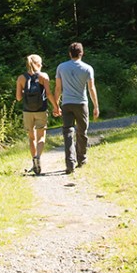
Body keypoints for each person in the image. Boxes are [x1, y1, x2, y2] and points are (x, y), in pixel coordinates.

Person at [54, 41, 98, 174]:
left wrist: (56, 105)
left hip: (66, 103)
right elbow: (91, 88)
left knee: (67, 133)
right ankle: (82, 158)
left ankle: (70, 163)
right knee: (82, 132)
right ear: (82, 53)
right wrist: (96, 106)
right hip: (81, 103)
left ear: (69, 53)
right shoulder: (88, 68)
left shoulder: (61, 67)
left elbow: (58, 88)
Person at [15, 54, 56, 175]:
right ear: (39, 64)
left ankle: (34, 161)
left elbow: (18, 98)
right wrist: (56, 106)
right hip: (41, 110)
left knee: (31, 137)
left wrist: (24, 91)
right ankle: (38, 157)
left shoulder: (21, 78)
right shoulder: (44, 76)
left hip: (27, 111)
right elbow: (48, 94)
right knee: (41, 137)